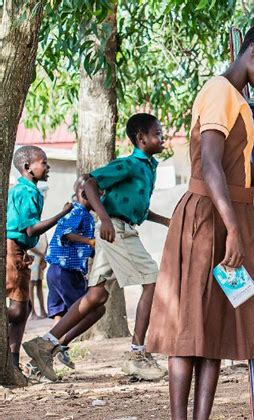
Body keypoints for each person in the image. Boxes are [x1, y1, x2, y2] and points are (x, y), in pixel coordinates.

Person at [146, 23, 254, 420]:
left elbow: (242, 174)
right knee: (189, 325)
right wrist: (232, 228)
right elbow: (211, 166)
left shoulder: (242, 103)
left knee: (218, 325)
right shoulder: (219, 91)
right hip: (209, 220)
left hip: (233, 218)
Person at [23, 113, 170, 382]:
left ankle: (45, 345)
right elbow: (89, 182)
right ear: (140, 138)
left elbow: (138, 207)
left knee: (97, 297)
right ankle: (137, 354)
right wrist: (103, 218)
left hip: (119, 228)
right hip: (117, 231)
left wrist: (166, 221)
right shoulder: (128, 165)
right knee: (152, 281)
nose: (163, 137)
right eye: (158, 133)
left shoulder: (149, 167)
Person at [7, 146, 72, 370]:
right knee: (16, 310)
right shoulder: (25, 192)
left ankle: (12, 362)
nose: (47, 166)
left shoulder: (32, 191)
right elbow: (30, 230)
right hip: (13, 249)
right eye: (43, 162)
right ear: (27, 168)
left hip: (22, 252)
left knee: (23, 309)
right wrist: (62, 214)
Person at [43, 174, 102, 369]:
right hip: (65, 272)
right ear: (86, 194)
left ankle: (40, 361)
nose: (101, 199)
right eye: (98, 195)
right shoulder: (78, 212)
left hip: (56, 271)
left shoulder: (80, 213)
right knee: (94, 309)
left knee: (59, 317)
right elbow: (66, 234)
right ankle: (60, 345)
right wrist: (89, 241)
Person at [28, 233, 49, 319]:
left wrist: (44, 259)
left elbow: (46, 244)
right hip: (33, 258)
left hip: (40, 259)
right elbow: (29, 245)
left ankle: (43, 311)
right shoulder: (31, 227)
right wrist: (42, 255)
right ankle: (32, 312)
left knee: (39, 283)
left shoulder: (43, 231)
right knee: (31, 284)